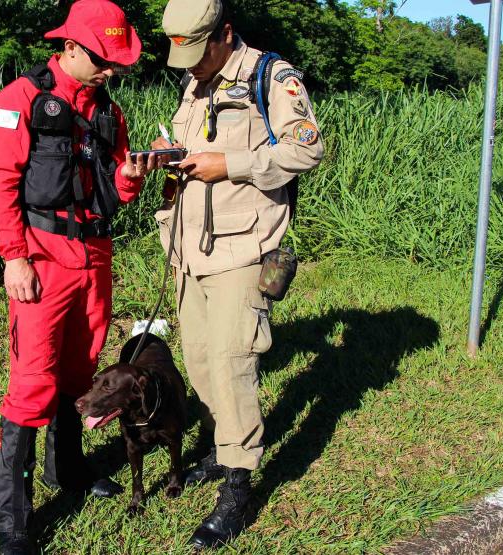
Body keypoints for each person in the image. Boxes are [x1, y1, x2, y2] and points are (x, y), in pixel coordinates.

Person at [0, 1, 159, 553]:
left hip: (95, 256)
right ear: (71, 47)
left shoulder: (109, 111)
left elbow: (117, 189)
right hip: (41, 257)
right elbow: (1, 182)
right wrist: (14, 257)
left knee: (80, 370)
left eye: (118, 62)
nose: (112, 71)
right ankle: (12, 521)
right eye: (104, 60)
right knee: (33, 380)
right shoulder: (20, 99)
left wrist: (132, 176)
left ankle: (68, 470)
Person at [153, 0, 325, 549]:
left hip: (242, 249)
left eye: (199, 52)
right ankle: (219, 445)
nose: (191, 65)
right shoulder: (195, 81)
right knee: (200, 359)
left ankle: (239, 485)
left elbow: (308, 148)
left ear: (224, 33)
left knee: (232, 363)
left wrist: (232, 164)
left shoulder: (271, 76)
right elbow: (197, 146)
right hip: (189, 249)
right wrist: (169, 154)